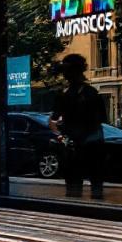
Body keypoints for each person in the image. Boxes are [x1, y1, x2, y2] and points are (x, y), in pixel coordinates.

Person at [50, 53, 107, 200]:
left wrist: (62, 136)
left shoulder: (66, 94)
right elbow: (101, 119)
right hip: (86, 144)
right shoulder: (89, 93)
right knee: (91, 184)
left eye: (67, 70)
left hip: (82, 144)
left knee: (77, 185)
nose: (65, 74)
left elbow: (53, 120)